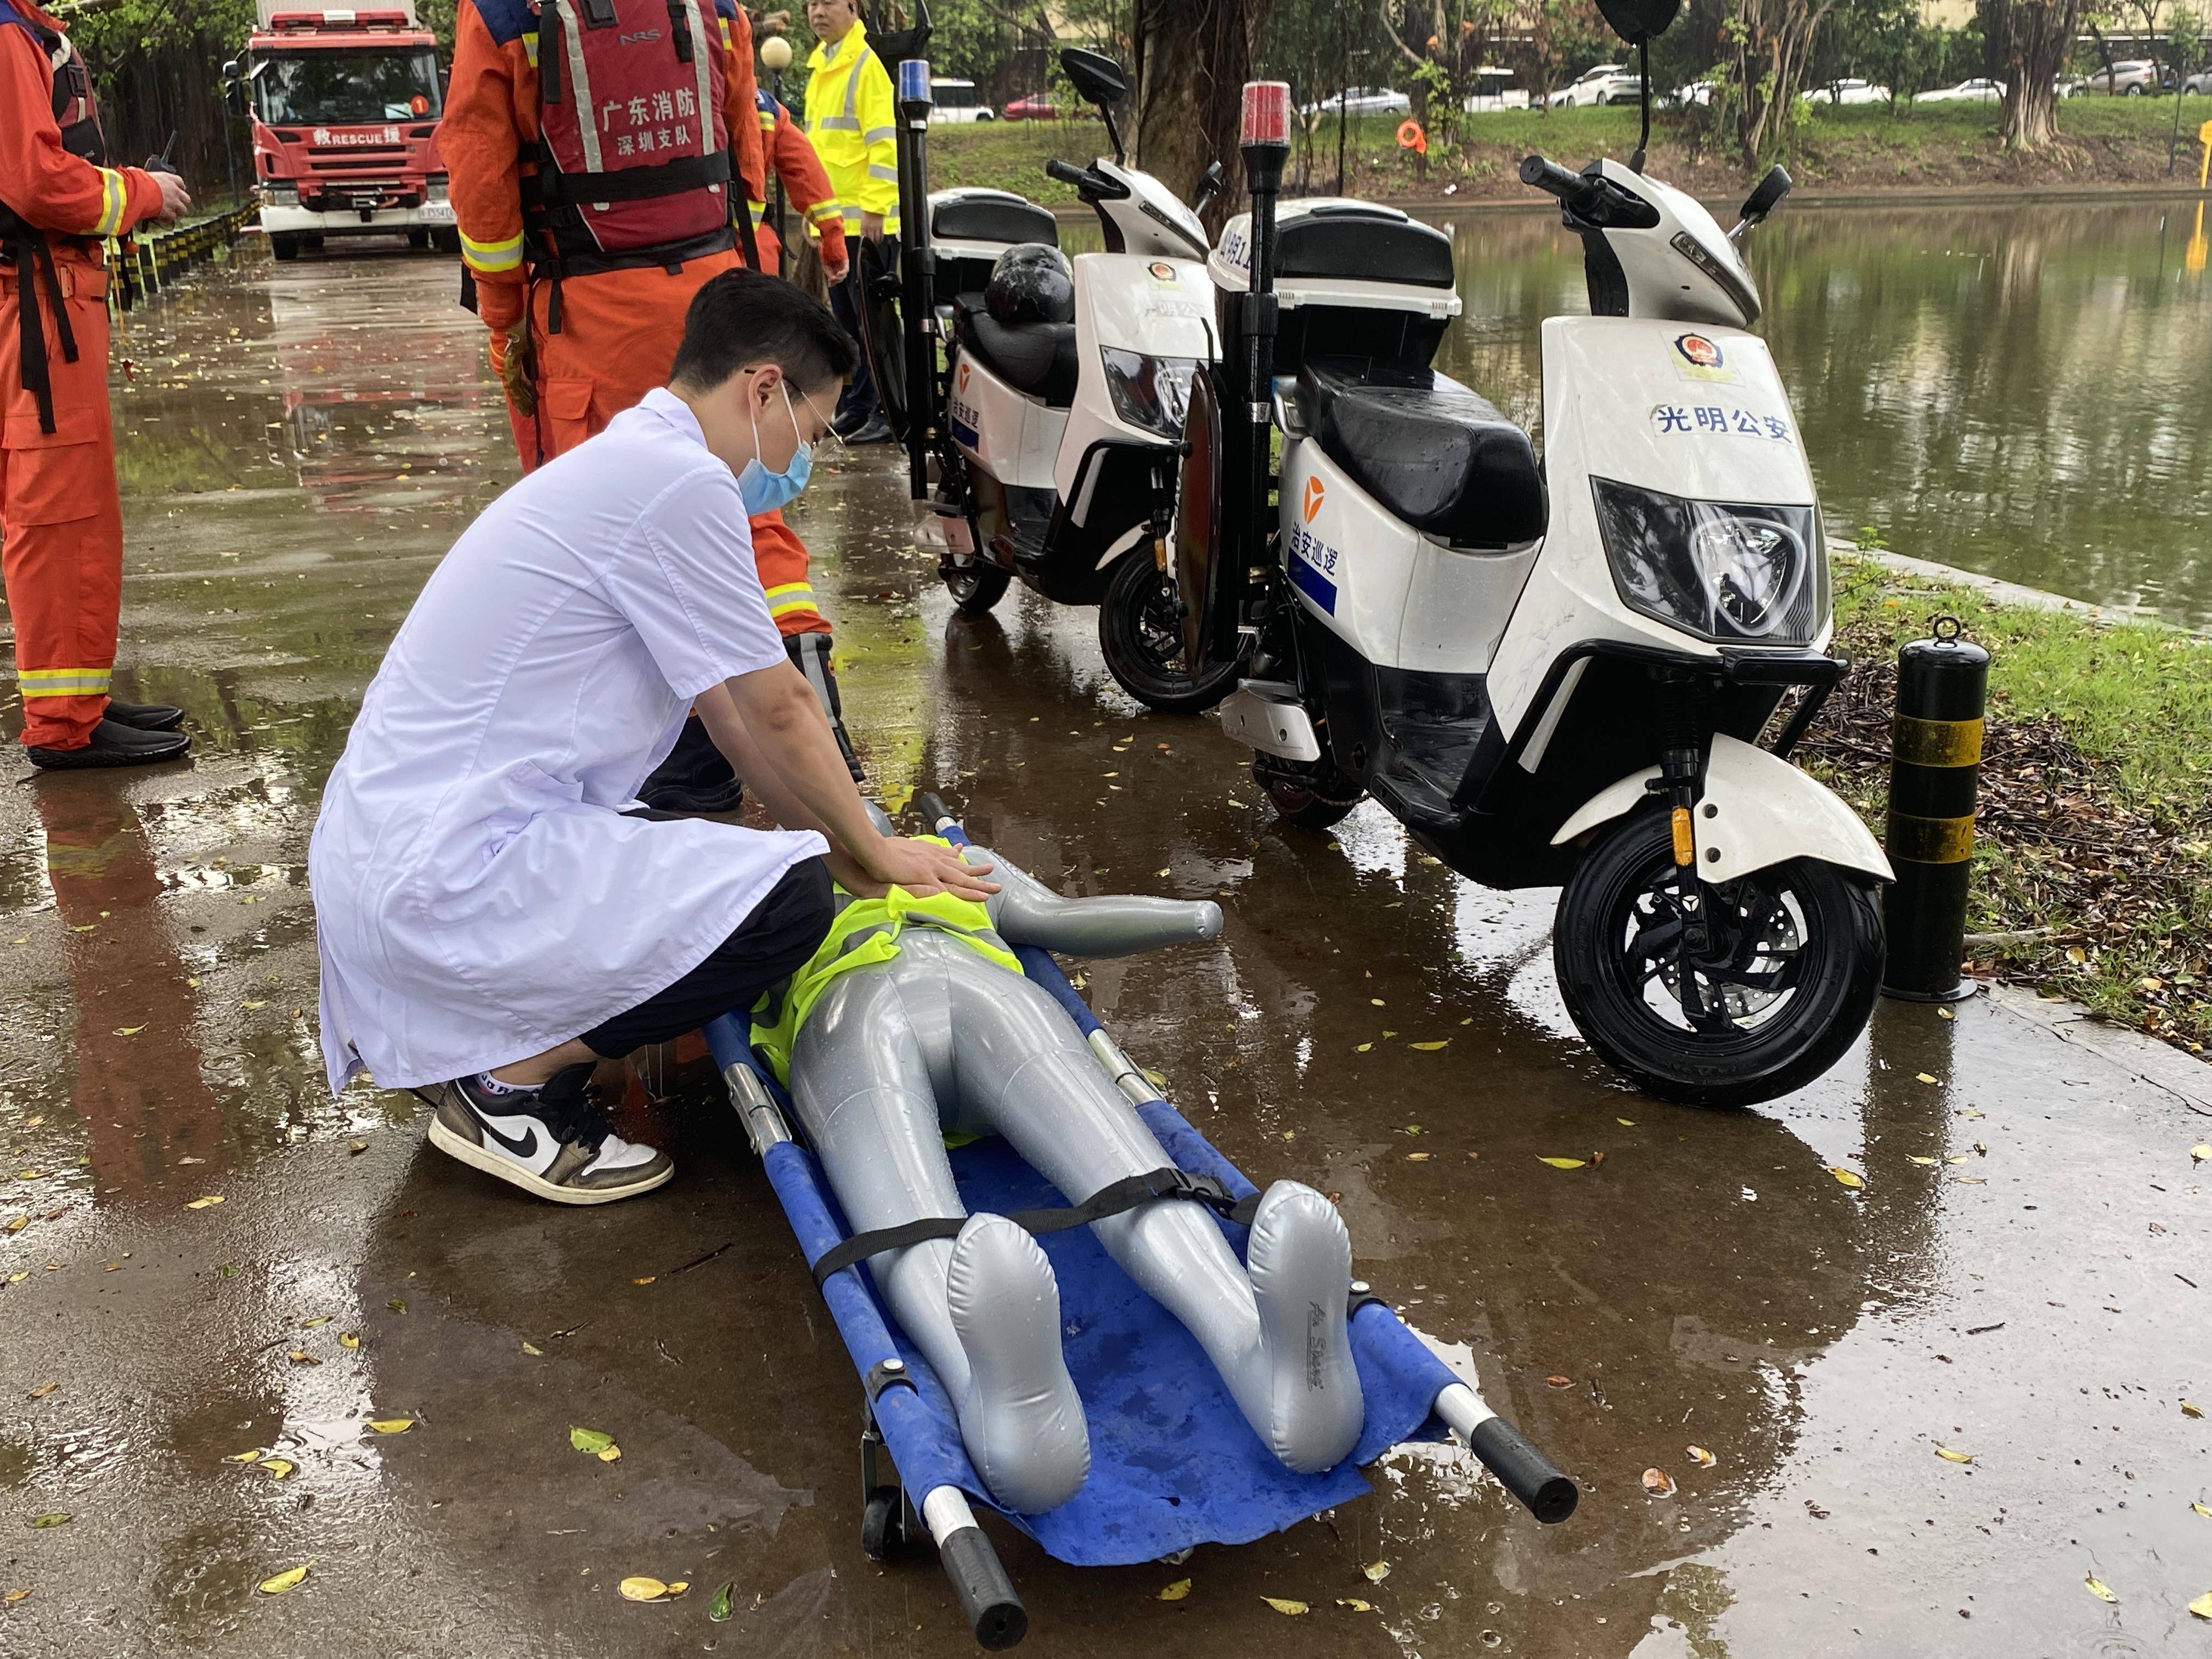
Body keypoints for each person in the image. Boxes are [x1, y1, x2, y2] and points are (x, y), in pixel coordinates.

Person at [311, 272, 992, 1206]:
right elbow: (782, 705)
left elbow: (730, 715)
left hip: (401, 851)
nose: (811, 458)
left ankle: (484, 1041)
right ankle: (506, 1089)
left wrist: (854, 851)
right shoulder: (679, 482)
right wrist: (864, 851)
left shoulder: (632, 463)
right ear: (761, 390)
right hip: (437, 869)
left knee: (762, 868)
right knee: (784, 904)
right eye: (815, 428)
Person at [761, 845, 1362, 1513]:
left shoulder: (832, 869)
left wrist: (1191, 917)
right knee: (1106, 1173)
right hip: (898, 1005)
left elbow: (1057, 916)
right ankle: (1250, 1357)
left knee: (1106, 1178)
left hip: (919, 1002)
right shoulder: (782, 872)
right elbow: (1061, 918)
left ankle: (1254, 1360)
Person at [639, 80, 861, 813]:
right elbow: (792, 154)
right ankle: (824, 746)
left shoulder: (520, 19)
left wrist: (514, 327)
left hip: (586, 326)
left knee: (659, 563)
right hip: (723, 286)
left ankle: (687, 766)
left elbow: (482, 181)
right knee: (749, 531)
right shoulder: (718, 28)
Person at [438, 0, 770, 471]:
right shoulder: (718, 7)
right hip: (719, 304)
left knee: (598, 519)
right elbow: (746, 158)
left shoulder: (500, 11)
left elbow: (481, 182)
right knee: (740, 515)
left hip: (590, 323)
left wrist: (505, 323)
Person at [1, 0, 193, 769]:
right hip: (37, 309)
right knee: (55, 517)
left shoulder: (26, 28)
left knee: (73, 515)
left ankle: (79, 703)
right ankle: (61, 725)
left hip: (48, 303)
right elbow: (35, 180)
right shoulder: (10, 34)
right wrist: (142, 194)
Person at [801, 0, 896, 444]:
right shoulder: (821, 66)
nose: (818, 12)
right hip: (835, 222)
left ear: (854, 9)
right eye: (811, 5)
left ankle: (884, 410)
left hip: (866, 223)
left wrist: (877, 207)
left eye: (828, 3)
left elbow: (883, 141)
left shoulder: (865, 65)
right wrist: (814, 213)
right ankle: (858, 406)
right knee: (846, 322)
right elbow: (814, 153)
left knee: (870, 322)